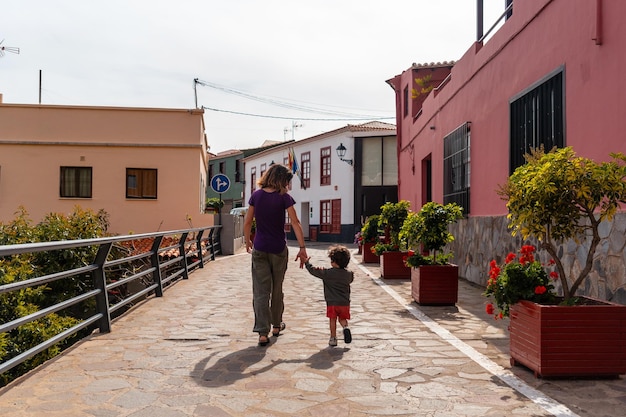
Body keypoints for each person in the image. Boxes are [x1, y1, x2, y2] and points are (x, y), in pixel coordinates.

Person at [243, 164, 308, 347]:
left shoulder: (256, 196)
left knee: (261, 291)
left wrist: (247, 240)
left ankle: (262, 332)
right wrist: (302, 247)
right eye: (287, 180)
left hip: (260, 248)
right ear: (281, 179)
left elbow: (248, 221)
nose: (288, 184)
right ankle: (277, 325)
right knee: (277, 288)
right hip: (279, 249)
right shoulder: (284, 198)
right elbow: (295, 222)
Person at [304, 245, 354, 347]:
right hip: (344, 303)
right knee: (342, 319)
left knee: (332, 320)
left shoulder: (328, 273)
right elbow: (350, 280)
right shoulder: (349, 274)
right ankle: (345, 328)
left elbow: (314, 271)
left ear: (334, 261)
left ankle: (333, 338)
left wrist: (307, 263)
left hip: (332, 303)